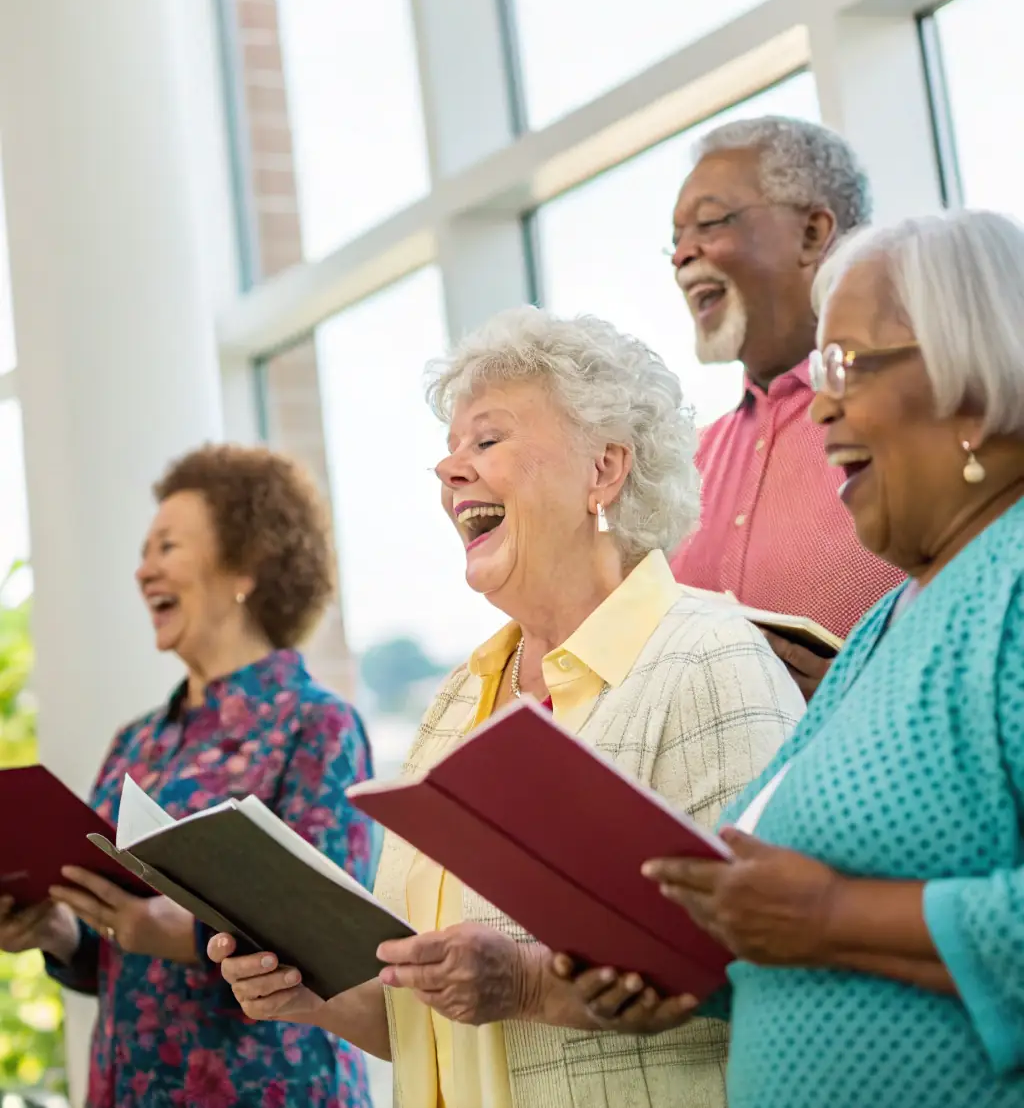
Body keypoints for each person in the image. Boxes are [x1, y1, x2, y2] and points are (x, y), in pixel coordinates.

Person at [210, 309, 805, 1108]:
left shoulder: (710, 657)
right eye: (451, 448)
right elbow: (424, 1014)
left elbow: (775, 966)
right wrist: (306, 989)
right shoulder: (461, 698)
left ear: (605, 469)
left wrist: (527, 984)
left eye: (486, 441)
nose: (449, 470)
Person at [563, 209, 1024, 1107]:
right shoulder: (892, 620)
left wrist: (833, 918)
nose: (818, 402)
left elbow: (824, 919)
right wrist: (692, 963)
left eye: (847, 364)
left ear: (974, 384)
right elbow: (787, 926)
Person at [0, 445, 376, 1108]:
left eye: (167, 546)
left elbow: (334, 950)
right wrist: (63, 933)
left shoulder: (318, 726)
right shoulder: (136, 739)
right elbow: (112, 949)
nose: (143, 570)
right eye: (145, 551)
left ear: (246, 564)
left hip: (272, 1089)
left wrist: (177, 934)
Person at [668, 115, 902, 696]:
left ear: (813, 233)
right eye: (675, 238)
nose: (682, 255)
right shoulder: (683, 463)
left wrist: (867, 698)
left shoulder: (920, 421)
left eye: (708, 223)